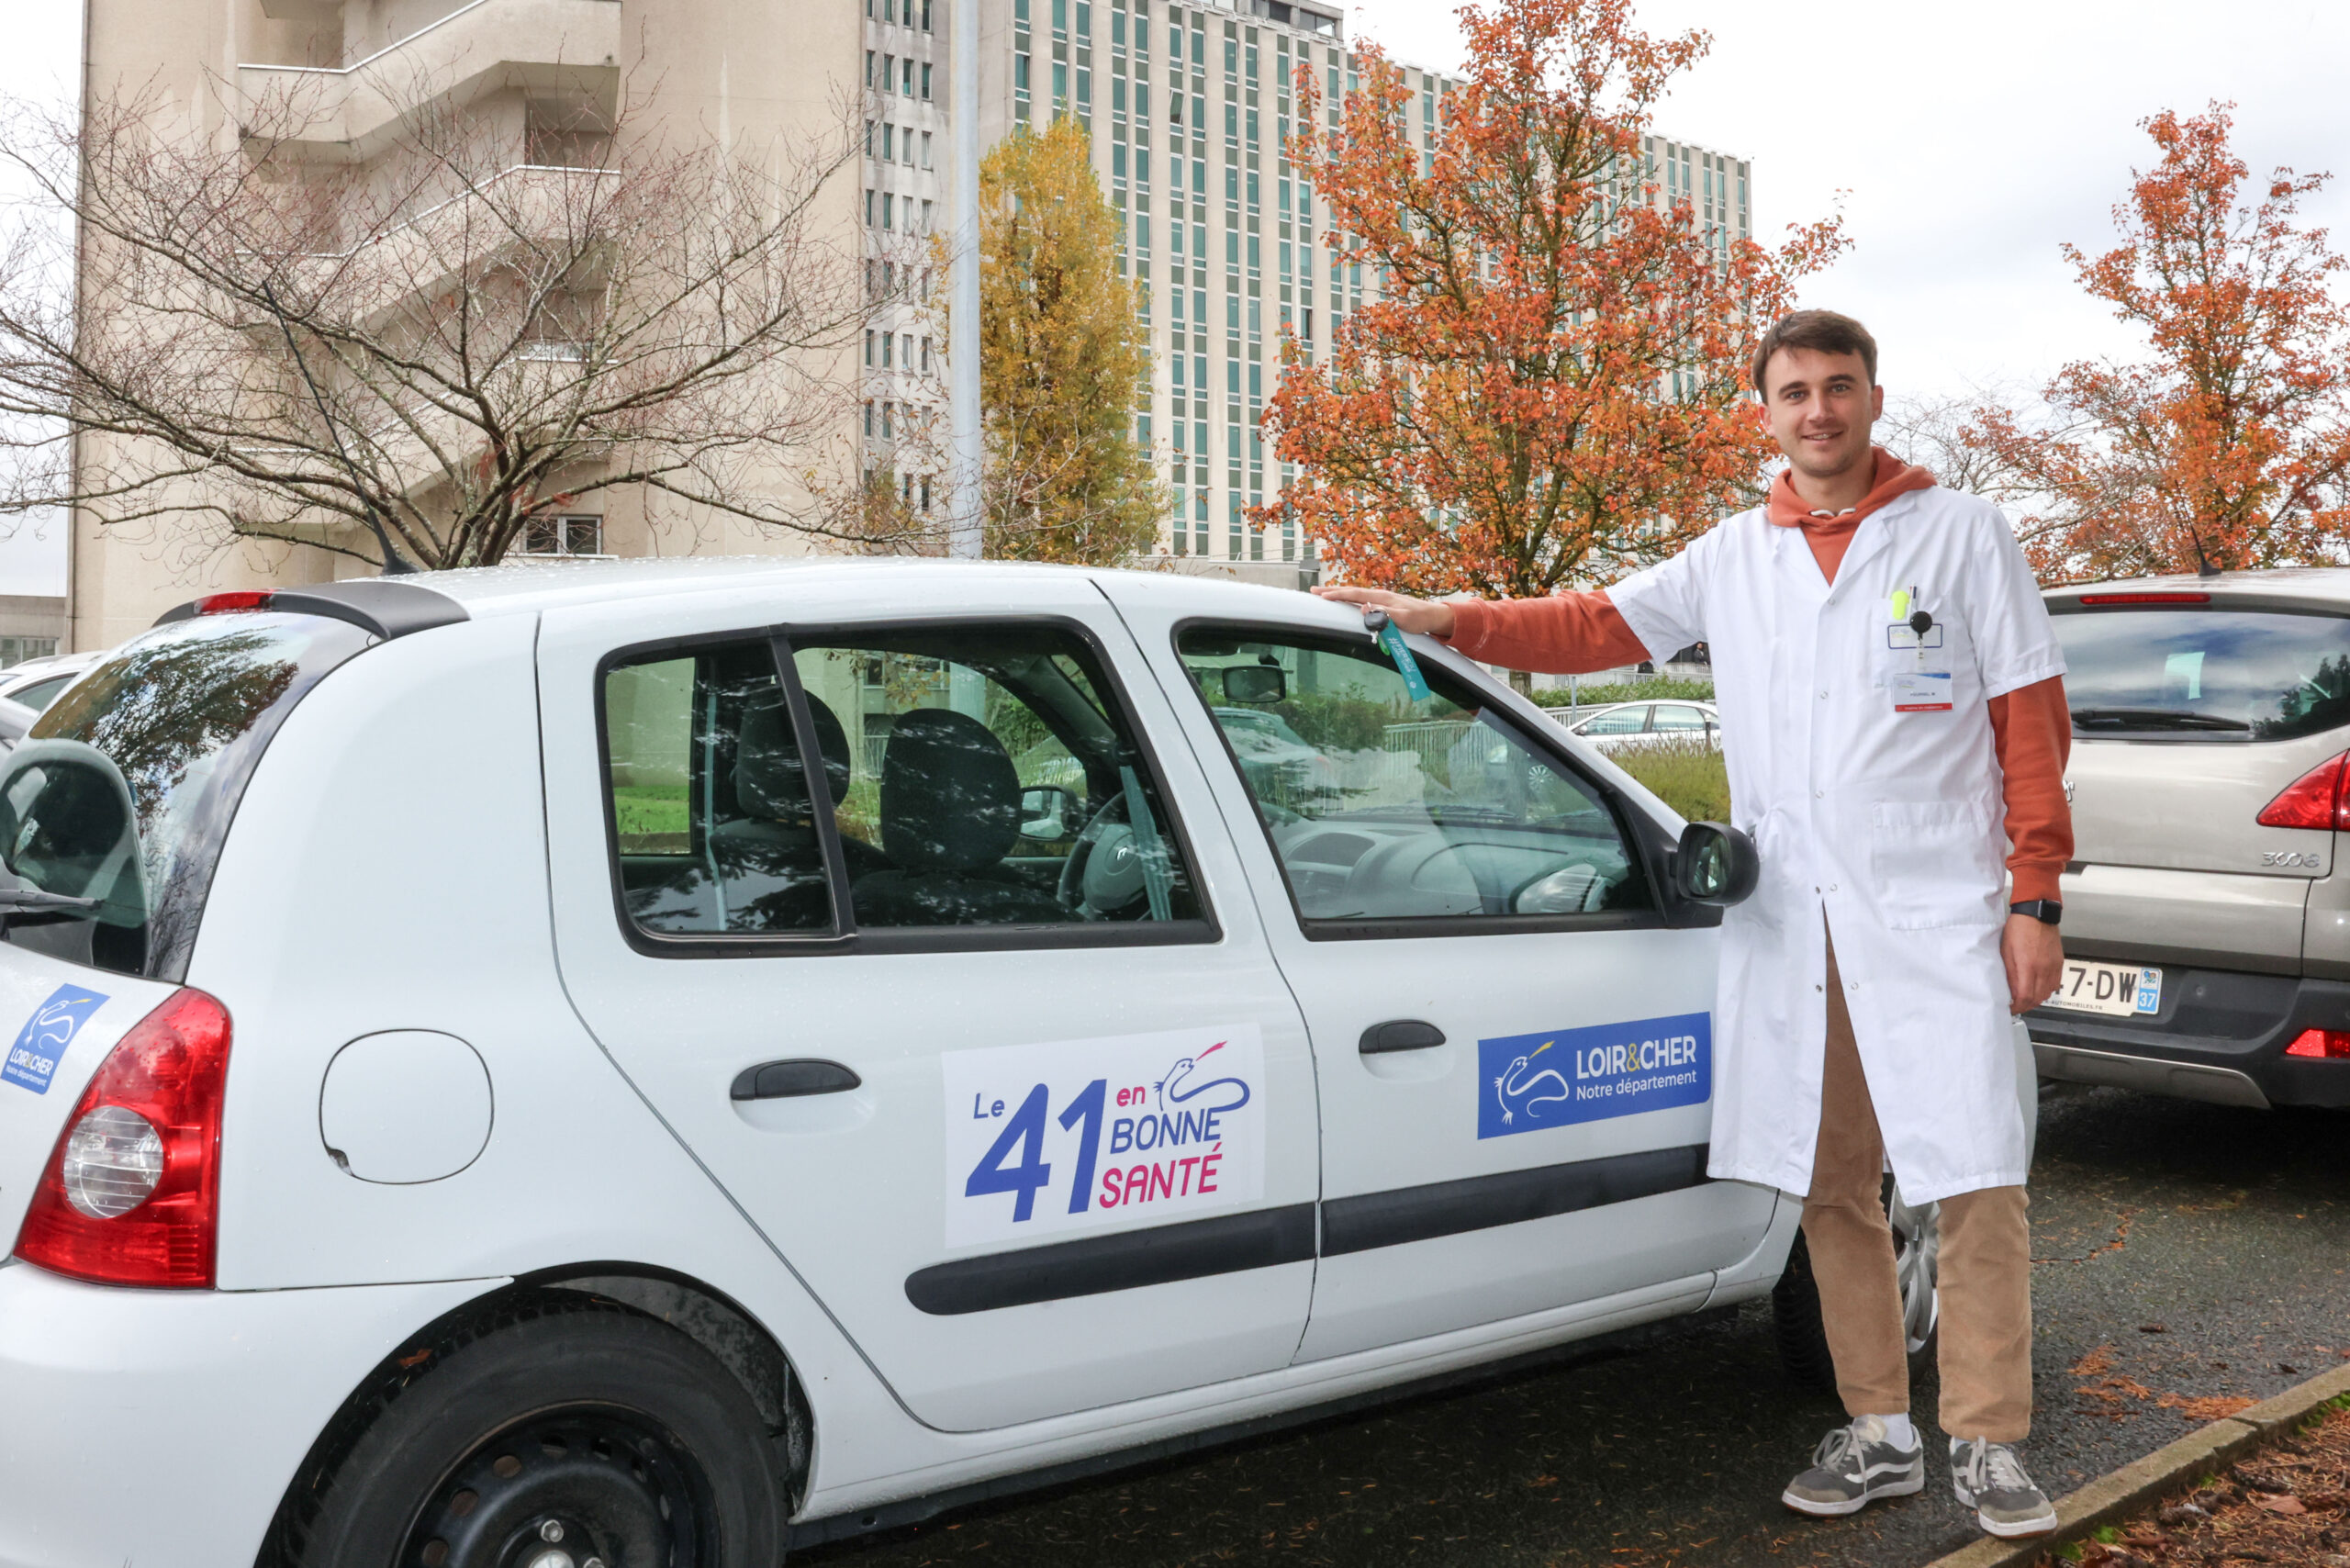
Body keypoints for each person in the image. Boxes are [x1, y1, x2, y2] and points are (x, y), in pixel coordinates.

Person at [1318, 309, 2073, 1541]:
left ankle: (1989, 1442)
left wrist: (2035, 895)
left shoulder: (1963, 534)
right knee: (1832, 1184)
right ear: (1765, 412)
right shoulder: (1732, 555)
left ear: (1875, 399)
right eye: (1795, 391)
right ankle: (1880, 1430)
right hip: (1798, 924)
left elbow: (2030, 724)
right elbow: (1594, 626)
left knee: (1976, 1173)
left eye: (1839, 386)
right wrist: (1448, 616)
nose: (1818, 410)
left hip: (1936, 914)